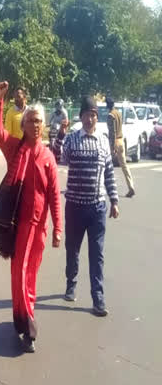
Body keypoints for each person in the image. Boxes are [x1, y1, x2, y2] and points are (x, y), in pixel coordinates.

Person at [0, 77, 62, 352]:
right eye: (30, 120)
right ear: (23, 125)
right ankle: (28, 325)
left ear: (43, 126)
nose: (34, 124)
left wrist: (57, 228)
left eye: (38, 121)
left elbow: (55, 194)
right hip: (18, 225)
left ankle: (22, 318)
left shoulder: (48, 157)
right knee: (18, 273)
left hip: (38, 228)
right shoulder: (16, 148)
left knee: (30, 274)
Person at [53, 96, 119, 317]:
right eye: (86, 115)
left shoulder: (103, 140)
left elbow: (109, 172)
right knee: (72, 249)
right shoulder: (73, 138)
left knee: (97, 253)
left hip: (97, 207)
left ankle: (97, 297)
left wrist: (114, 200)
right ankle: (71, 284)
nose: (90, 118)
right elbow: (58, 155)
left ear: (96, 117)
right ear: (80, 117)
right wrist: (61, 134)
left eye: (93, 115)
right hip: (75, 206)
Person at [106, 97, 135, 198]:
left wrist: (112, 146)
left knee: (107, 165)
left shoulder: (110, 115)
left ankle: (106, 187)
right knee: (124, 166)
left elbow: (112, 132)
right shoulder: (118, 113)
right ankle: (131, 186)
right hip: (121, 140)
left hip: (115, 142)